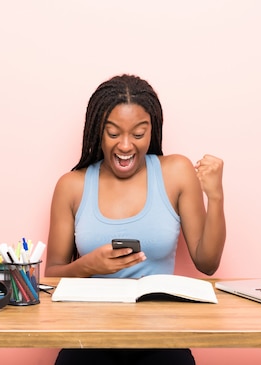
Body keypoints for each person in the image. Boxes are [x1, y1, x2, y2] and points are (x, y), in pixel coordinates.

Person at [45, 74, 226, 365]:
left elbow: (207, 263)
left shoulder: (176, 172)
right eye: (113, 133)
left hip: (160, 338)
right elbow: (50, 277)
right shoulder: (71, 186)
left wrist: (215, 197)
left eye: (138, 134)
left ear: (152, 131)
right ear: (97, 132)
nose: (126, 146)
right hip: (89, 337)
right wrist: (89, 265)